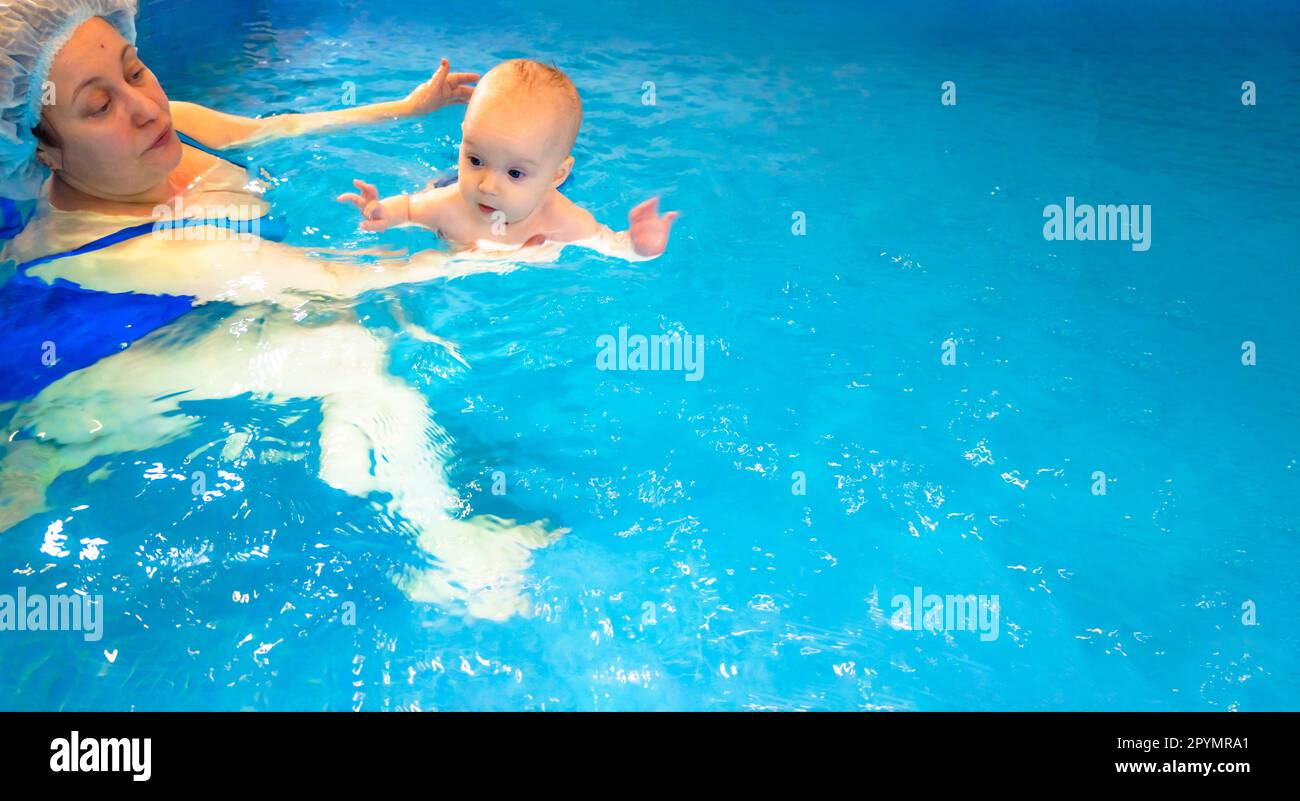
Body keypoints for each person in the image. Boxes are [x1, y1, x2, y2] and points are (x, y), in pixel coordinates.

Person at [0, 0, 583, 620]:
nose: (143, 107)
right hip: (67, 397)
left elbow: (284, 126)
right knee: (343, 347)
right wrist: (499, 254)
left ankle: (355, 453)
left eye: (134, 69)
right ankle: (452, 554)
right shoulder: (152, 248)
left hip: (184, 317)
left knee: (345, 337)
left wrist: (406, 108)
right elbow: (335, 280)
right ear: (46, 154)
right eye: (99, 106)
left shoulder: (175, 127)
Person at [338, 59, 678, 258]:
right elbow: (410, 209)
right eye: (474, 159)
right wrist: (381, 212)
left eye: (515, 173)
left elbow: (610, 245)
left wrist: (640, 245)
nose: (487, 186)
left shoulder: (561, 220)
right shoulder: (451, 201)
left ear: (557, 175)